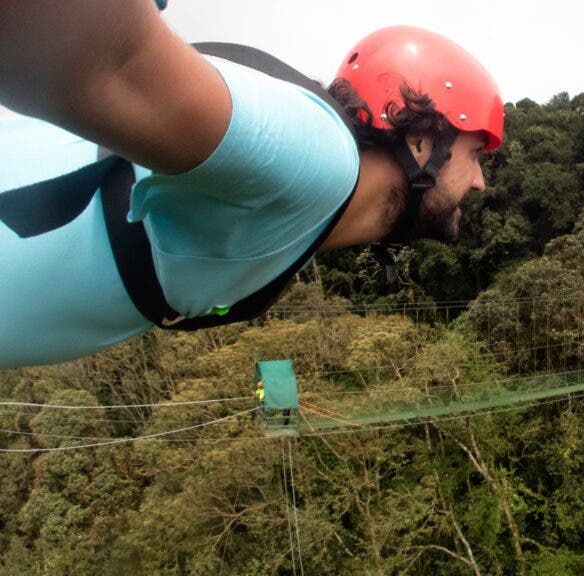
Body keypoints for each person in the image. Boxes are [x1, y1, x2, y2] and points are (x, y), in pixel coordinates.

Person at [0, 1, 503, 368]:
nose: (481, 182)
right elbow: (108, 62)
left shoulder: (309, 214)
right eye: (475, 154)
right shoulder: (318, 160)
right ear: (422, 142)